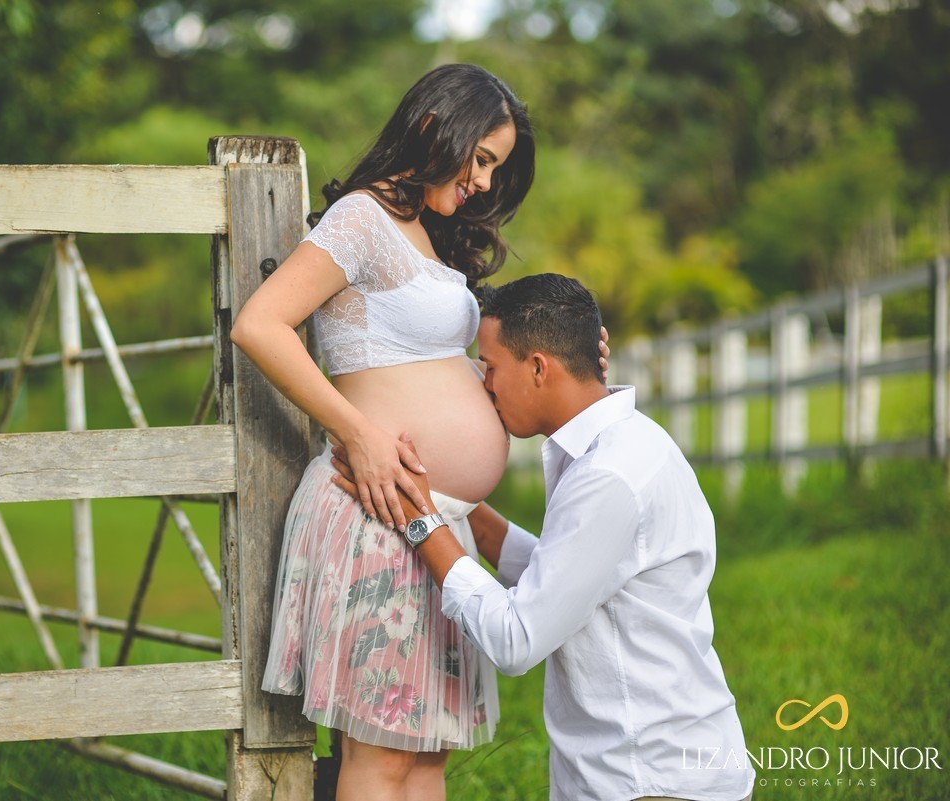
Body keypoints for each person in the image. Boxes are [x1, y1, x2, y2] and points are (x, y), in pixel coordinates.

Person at [230, 63, 540, 800]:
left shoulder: (426, 237)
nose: (487, 184)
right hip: (377, 512)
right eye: (483, 159)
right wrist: (359, 431)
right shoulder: (363, 219)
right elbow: (260, 324)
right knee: (382, 753)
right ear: (436, 127)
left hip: (434, 522)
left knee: (424, 750)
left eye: (497, 167)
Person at [331, 273, 755, 801]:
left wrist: (418, 520)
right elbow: (563, 576)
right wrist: (447, 502)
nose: (483, 384)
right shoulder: (624, 444)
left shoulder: (610, 476)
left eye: (489, 367)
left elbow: (517, 637)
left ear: (538, 367)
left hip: (651, 779)